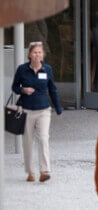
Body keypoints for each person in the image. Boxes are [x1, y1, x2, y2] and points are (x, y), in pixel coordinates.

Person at [10, 42, 62, 184]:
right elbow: (14, 87)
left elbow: (53, 89)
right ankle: (30, 172)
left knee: (43, 139)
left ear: (43, 55)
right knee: (27, 142)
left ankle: (44, 171)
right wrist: (23, 90)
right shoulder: (22, 70)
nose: (37, 55)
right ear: (29, 54)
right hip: (26, 110)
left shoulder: (47, 69)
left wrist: (58, 108)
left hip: (43, 110)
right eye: (35, 52)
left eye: (40, 52)